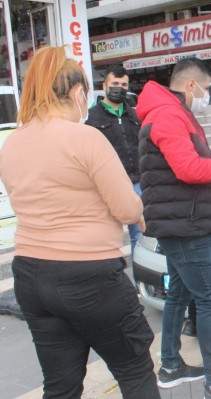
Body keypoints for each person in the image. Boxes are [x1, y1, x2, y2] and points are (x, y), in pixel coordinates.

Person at [0, 46, 159, 398]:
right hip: (89, 277)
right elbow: (126, 208)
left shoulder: (12, 143)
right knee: (134, 370)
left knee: (61, 385)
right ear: (75, 93)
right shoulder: (84, 137)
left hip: (30, 275)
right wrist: (137, 208)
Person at [137, 57, 211, 399]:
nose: (207, 96)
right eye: (207, 89)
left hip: (181, 218)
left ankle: (172, 367)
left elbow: (179, 170)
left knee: (179, 293)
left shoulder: (169, 113)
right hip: (186, 226)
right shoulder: (167, 114)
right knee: (208, 299)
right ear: (192, 85)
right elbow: (189, 169)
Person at [86, 64, 142, 256]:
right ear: (105, 86)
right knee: (109, 239)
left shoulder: (135, 115)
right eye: (115, 83)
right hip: (107, 187)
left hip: (137, 184)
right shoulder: (91, 118)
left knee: (140, 237)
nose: (120, 88)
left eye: (124, 84)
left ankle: (139, 285)